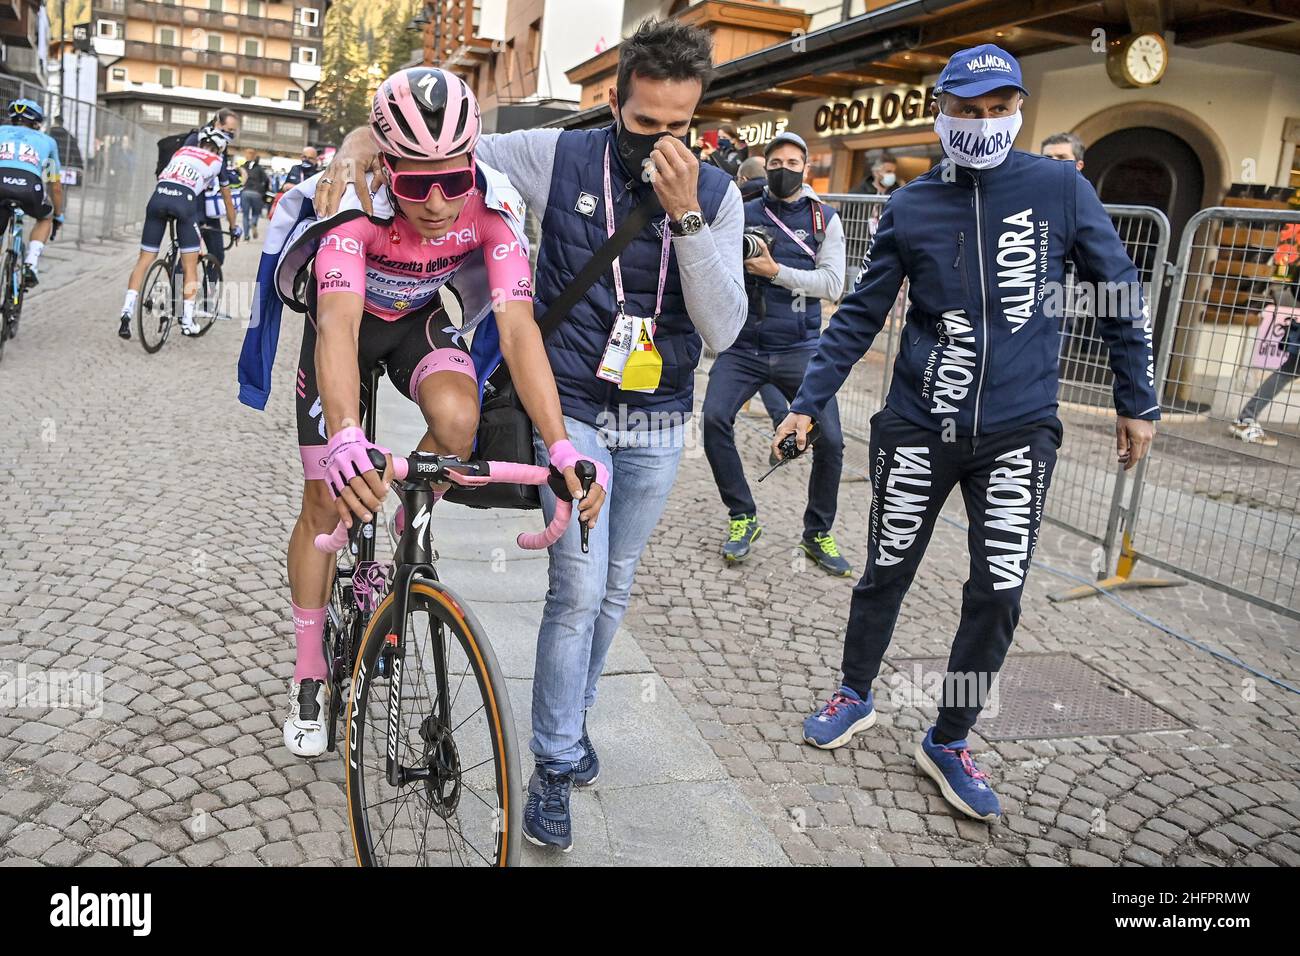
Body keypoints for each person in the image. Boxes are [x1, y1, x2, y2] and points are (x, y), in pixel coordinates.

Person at [316, 19, 746, 852]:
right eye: (644, 123)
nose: (661, 142)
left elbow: (725, 329)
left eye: (679, 127)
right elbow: (445, 147)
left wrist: (686, 216)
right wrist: (366, 133)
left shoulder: (718, 195)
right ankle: (551, 768)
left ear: (698, 117)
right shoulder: (561, 154)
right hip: (575, 401)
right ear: (612, 104)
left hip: (657, 417)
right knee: (577, 591)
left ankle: (571, 725)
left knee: (616, 588)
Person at [781, 44, 1159, 822]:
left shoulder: (1059, 185)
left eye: (998, 110)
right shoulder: (912, 205)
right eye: (967, 109)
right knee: (887, 569)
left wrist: (1137, 396)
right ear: (941, 112)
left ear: (1017, 112)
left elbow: (1117, 285)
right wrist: (807, 399)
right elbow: (858, 313)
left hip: (1020, 431)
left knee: (999, 592)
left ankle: (949, 736)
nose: (983, 124)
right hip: (919, 424)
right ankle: (855, 693)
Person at [271, 68, 607, 759]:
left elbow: (518, 331)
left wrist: (561, 447)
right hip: (345, 323)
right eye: (414, 181)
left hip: (413, 321)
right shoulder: (354, 200)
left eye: (451, 181)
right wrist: (343, 436)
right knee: (323, 507)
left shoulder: (494, 205)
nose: (434, 202)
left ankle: (402, 517)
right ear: (383, 164)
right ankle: (309, 669)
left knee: (459, 421)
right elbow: (334, 324)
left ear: (473, 164)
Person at [702, 131, 849, 573]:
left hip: (801, 348)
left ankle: (817, 533)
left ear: (805, 168)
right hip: (742, 344)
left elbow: (834, 285)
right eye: (776, 161)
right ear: (765, 165)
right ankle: (742, 515)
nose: (784, 168)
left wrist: (776, 271)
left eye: (792, 161)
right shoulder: (740, 210)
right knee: (712, 419)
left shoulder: (825, 219)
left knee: (834, 442)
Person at [117, 126, 236, 338]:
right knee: (190, 265)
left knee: (144, 260)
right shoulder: (217, 162)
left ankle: (126, 312)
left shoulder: (181, 152)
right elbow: (227, 198)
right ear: (219, 149)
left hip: (158, 198)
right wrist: (234, 226)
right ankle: (188, 322)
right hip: (184, 203)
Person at [0, 99, 65, 288]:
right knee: (46, 217)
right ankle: (31, 263)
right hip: (29, 186)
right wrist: (58, 216)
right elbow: (55, 184)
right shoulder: (48, 141)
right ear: (37, 123)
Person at [187, 110, 242, 271]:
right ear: (217, 123)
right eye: (229, 130)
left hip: (206, 210)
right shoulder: (195, 139)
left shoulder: (221, 145)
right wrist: (233, 227)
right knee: (191, 259)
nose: (231, 134)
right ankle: (182, 294)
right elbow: (226, 193)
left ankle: (205, 295)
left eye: (233, 131)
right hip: (189, 208)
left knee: (214, 256)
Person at [239, 148, 269, 240]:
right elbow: (266, 180)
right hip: (257, 193)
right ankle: (253, 222)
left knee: (245, 215)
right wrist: (264, 191)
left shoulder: (242, 167)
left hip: (245, 192)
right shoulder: (259, 168)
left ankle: (246, 236)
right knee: (256, 213)